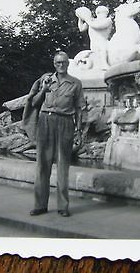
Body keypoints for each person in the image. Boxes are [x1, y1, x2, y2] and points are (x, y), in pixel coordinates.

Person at [29, 51, 84, 217]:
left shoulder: (75, 83)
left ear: (68, 64)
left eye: (64, 62)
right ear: (54, 64)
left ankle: (63, 206)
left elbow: (79, 108)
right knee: (42, 166)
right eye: (58, 62)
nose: (61, 65)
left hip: (65, 123)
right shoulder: (45, 80)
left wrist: (79, 130)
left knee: (62, 166)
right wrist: (44, 89)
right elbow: (34, 102)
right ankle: (40, 205)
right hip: (45, 121)